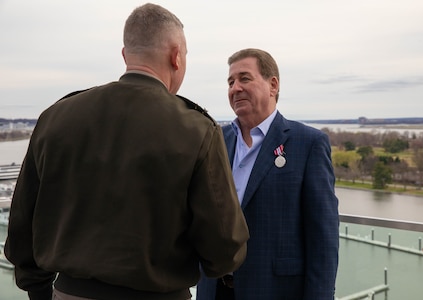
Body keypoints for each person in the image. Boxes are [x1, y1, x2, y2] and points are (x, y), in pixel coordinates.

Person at [5, 4, 249, 300]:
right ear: (176, 57)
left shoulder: (55, 118)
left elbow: (22, 227)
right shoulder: (196, 129)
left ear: (125, 55)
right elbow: (224, 248)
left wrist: (40, 290)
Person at [197, 48, 339, 299]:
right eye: (230, 82)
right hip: (214, 291)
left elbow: (323, 241)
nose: (235, 88)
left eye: (244, 78)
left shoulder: (308, 143)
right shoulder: (215, 140)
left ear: (273, 85)